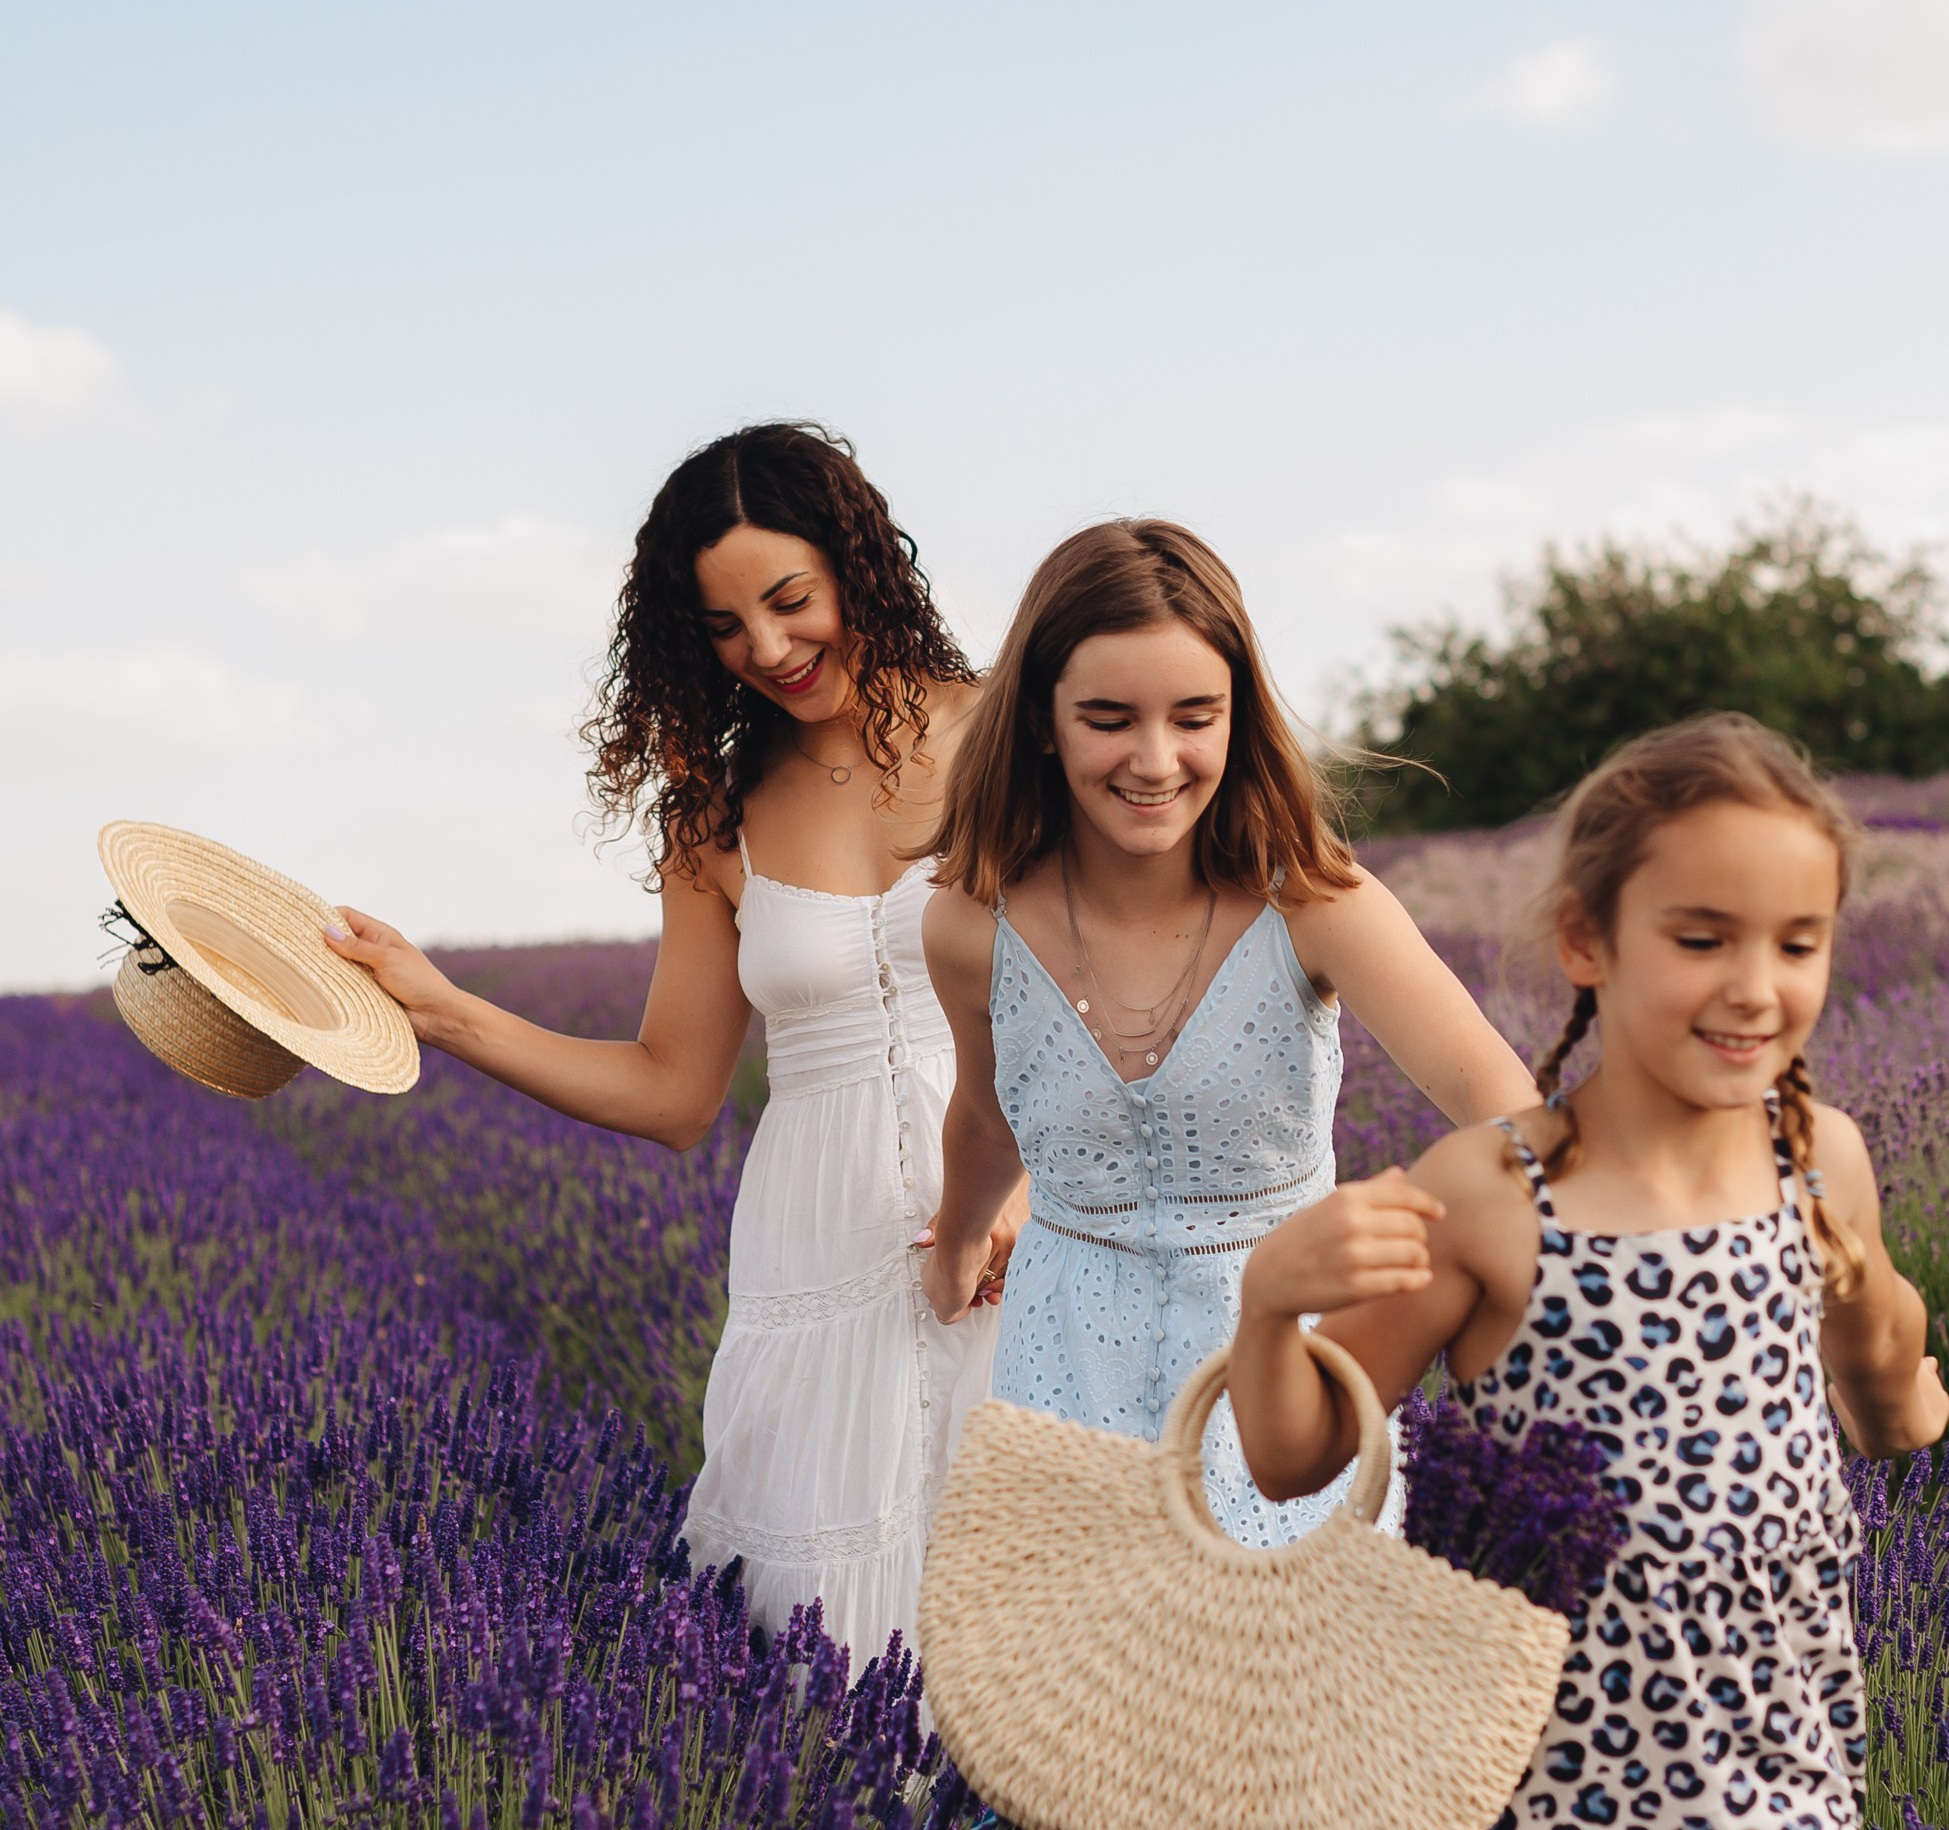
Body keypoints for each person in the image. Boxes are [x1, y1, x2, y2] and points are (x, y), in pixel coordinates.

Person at [1223, 712, 1949, 1830]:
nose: (1753, 987)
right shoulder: (1493, 1195)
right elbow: (1298, 1454)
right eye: (1700, 939)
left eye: (1796, 944)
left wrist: (1877, 1318)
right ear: (1587, 945)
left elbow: (1898, 1419)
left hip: (1779, 1829)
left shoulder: (1821, 1162)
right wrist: (1270, 1305)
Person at [322, 423, 1017, 1669]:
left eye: (792, 598)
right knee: (831, 1656)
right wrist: (442, 1008)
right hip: (821, 1259)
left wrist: (1016, 1188)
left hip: (1032, 1232)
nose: (766, 647)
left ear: (861, 564)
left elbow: (1125, 1003)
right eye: (722, 625)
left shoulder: (1015, 735)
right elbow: (672, 1089)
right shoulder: (716, 819)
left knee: (1050, 1625)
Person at [918, 517, 1540, 1543]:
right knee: (1076, 1686)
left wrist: (1515, 1281)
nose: (1154, 759)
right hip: (1059, 1358)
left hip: (1279, 1370)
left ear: (1236, 716)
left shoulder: (1314, 902)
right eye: (1109, 718)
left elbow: (1491, 1095)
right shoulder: (966, 923)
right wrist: (953, 1251)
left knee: (1283, 1683)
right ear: (1040, 719)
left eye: (1193, 716)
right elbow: (986, 1120)